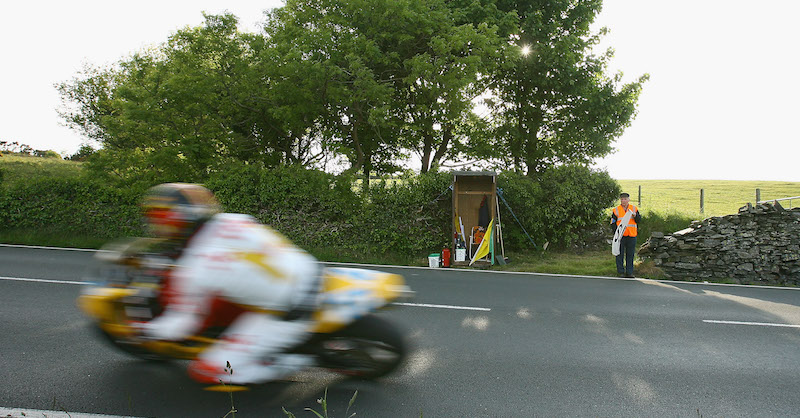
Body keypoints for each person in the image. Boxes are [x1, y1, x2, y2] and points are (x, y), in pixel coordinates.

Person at [135, 183, 321, 385]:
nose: (158, 228)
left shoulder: (195, 268)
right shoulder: (234, 219)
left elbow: (183, 323)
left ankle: (288, 364)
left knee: (206, 371)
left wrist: (146, 331)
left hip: (288, 313)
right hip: (307, 269)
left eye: (159, 222)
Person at [610, 192, 641, 278]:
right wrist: (616, 234)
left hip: (631, 235)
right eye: (622, 199)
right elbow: (613, 223)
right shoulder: (616, 210)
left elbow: (639, 220)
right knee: (619, 254)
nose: (623, 201)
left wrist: (635, 215)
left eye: (625, 199)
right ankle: (620, 272)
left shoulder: (634, 208)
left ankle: (629, 272)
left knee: (630, 254)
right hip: (620, 236)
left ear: (628, 200)